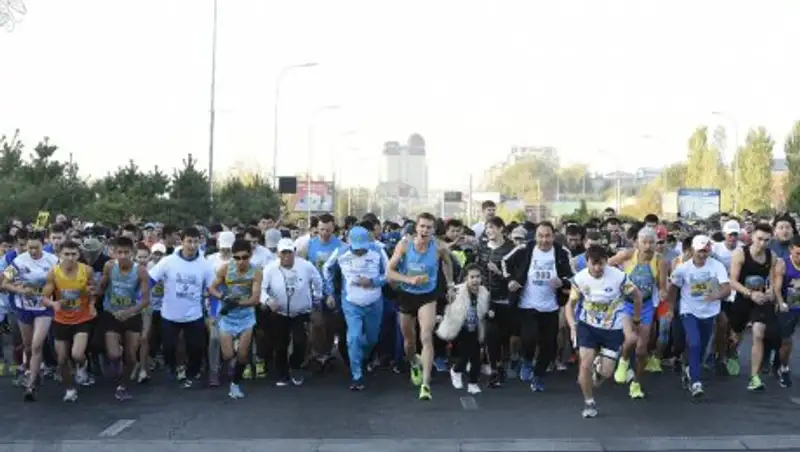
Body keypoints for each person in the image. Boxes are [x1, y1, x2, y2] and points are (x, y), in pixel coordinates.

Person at [565, 245, 642, 418]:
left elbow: (637, 296)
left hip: (612, 328)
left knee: (606, 373)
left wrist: (636, 319)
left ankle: (600, 369)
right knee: (584, 364)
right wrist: (572, 325)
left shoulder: (618, 277)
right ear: (587, 262)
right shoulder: (580, 278)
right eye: (594, 264)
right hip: (588, 325)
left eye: (601, 264)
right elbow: (569, 305)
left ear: (607, 261)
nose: (598, 268)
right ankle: (589, 402)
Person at [387, 212, 455, 401]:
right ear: (416, 228)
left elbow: (448, 263)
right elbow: (389, 272)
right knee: (409, 343)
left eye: (429, 227)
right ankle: (414, 364)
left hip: (428, 296)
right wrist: (408, 279)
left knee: (426, 336)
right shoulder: (405, 245)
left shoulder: (439, 247)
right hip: (407, 295)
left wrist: (450, 284)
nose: (425, 230)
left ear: (433, 230)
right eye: (422, 226)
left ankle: (426, 384)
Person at [148, 227, 216, 389]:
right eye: (189, 241)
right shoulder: (168, 261)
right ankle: (172, 367)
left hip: (194, 314)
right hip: (170, 314)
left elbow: (213, 290)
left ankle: (191, 373)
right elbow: (151, 279)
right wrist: (138, 298)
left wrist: (213, 314)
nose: (192, 245)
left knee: (196, 348)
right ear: (182, 241)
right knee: (169, 347)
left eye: (196, 242)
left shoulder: (205, 265)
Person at [322, 226, 387, 390]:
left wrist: (373, 282)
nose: (360, 252)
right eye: (356, 249)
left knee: (372, 339)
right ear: (349, 242)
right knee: (354, 338)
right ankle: (356, 375)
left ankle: (361, 357)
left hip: (374, 302)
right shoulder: (341, 252)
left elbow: (389, 273)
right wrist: (330, 292)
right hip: (351, 302)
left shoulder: (378, 251)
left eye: (363, 248)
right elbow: (326, 268)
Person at [667, 235, 731, 397]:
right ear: (693, 250)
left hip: (709, 312)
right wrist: (669, 308)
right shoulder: (683, 268)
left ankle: (689, 367)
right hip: (689, 310)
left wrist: (715, 296)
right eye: (700, 251)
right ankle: (696, 381)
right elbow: (673, 288)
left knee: (701, 346)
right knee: (694, 342)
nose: (703, 255)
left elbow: (726, 288)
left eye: (706, 251)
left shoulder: (716, 266)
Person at [2, 232, 59, 401]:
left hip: (44, 307)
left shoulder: (53, 260)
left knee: (36, 345)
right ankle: (32, 371)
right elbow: (4, 283)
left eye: (36, 247)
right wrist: (20, 290)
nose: (33, 251)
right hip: (24, 307)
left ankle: (31, 385)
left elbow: (62, 281)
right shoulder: (19, 261)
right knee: (27, 346)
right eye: (30, 247)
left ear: (43, 245)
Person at [262, 238, 323, 386]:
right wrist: (268, 300)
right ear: (278, 253)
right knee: (280, 344)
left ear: (294, 252)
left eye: (289, 252)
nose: (286, 256)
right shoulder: (270, 269)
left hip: (300, 312)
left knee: (300, 341)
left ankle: (295, 366)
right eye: (283, 253)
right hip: (280, 312)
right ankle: (282, 374)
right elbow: (261, 290)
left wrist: (317, 297)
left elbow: (317, 280)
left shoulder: (306, 266)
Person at [42, 240, 96, 402]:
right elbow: (44, 297)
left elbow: (93, 291)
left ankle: (83, 365)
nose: (70, 258)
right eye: (66, 254)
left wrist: (92, 304)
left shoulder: (87, 270)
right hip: (61, 319)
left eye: (73, 254)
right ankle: (70, 389)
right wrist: (53, 303)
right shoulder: (53, 273)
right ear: (60, 255)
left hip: (82, 318)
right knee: (62, 359)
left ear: (79, 255)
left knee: (77, 354)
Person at [207, 239, 262, 399]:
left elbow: (255, 299)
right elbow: (211, 288)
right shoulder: (225, 269)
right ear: (232, 257)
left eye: (244, 257)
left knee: (243, 354)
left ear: (250, 256)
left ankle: (235, 384)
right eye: (237, 258)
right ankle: (234, 366)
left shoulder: (256, 272)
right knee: (227, 355)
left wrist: (237, 303)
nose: (241, 261)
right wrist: (223, 296)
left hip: (246, 317)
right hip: (228, 317)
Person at [98, 236, 151, 401]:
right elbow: (102, 287)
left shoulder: (140, 271)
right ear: (114, 253)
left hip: (132, 315)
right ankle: (115, 366)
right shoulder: (109, 266)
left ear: (132, 253)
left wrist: (130, 311)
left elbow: (145, 300)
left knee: (130, 355)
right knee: (113, 354)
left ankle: (123, 385)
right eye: (119, 252)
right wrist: (93, 291)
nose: (122, 256)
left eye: (126, 252)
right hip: (111, 313)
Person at [437, 263, 490, 395]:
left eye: (478, 277)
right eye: (472, 277)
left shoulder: (484, 292)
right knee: (468, 354)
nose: (475, 280)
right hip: (460, 327)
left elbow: (485, 310)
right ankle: (456, 371)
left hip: (476, 327)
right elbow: (445, 302)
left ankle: (472, 383)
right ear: (466, 278)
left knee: (476, 356)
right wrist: (441, 315)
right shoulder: (457, 290)